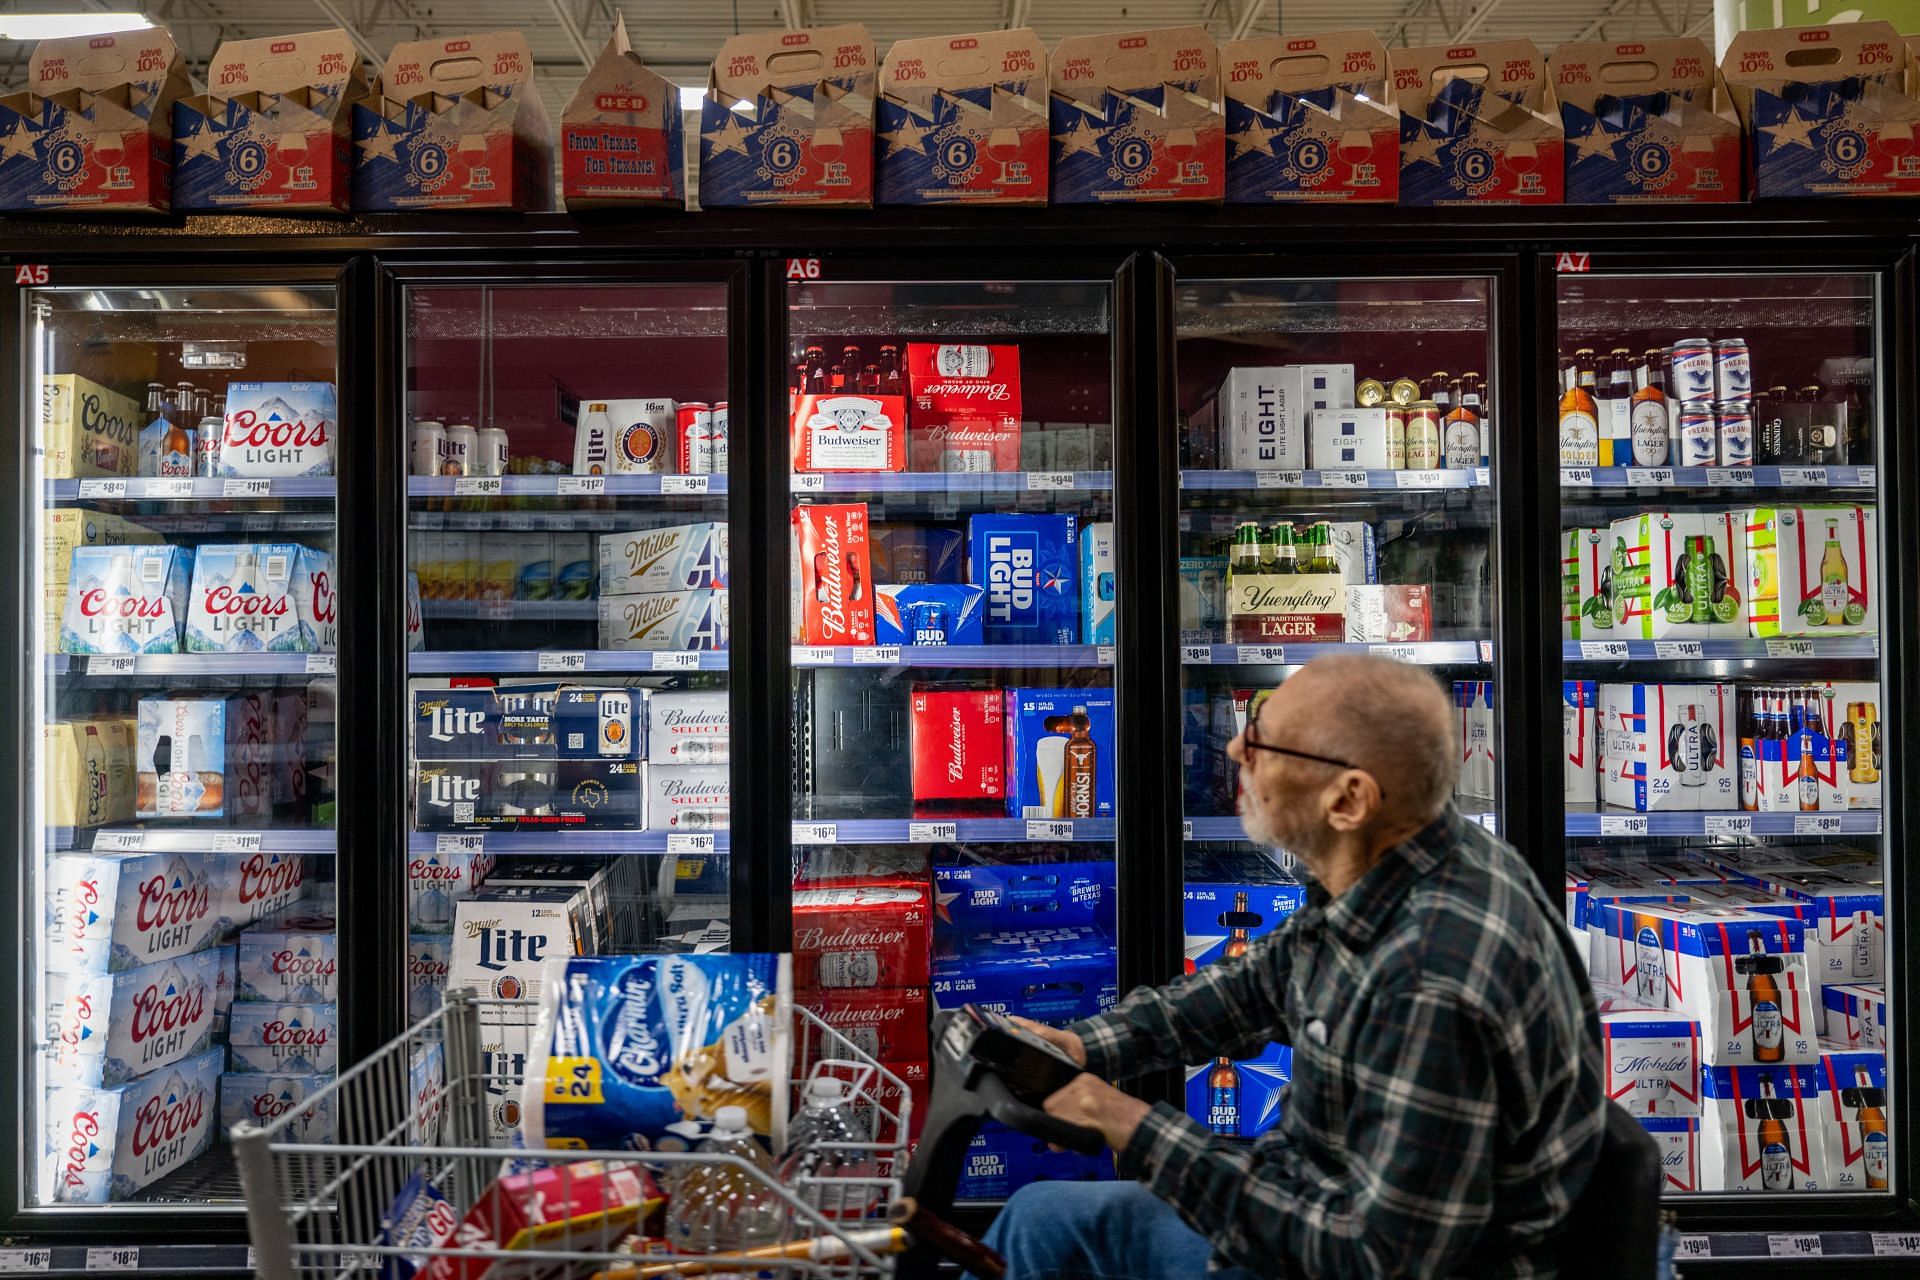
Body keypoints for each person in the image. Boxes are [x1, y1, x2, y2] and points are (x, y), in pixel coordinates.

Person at [985, 655, 1606, 1280]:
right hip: (1316, 1197)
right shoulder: (1409, 859)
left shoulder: (1429, 978)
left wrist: (1130, 1124)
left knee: (1043, 1233)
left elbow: (1372, 1258)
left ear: (1349, 799)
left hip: (1360, 1252)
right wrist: (1086, 1047)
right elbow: (1261, 982)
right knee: (1041, 1218)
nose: (1234, 749)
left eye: (1264, 741)